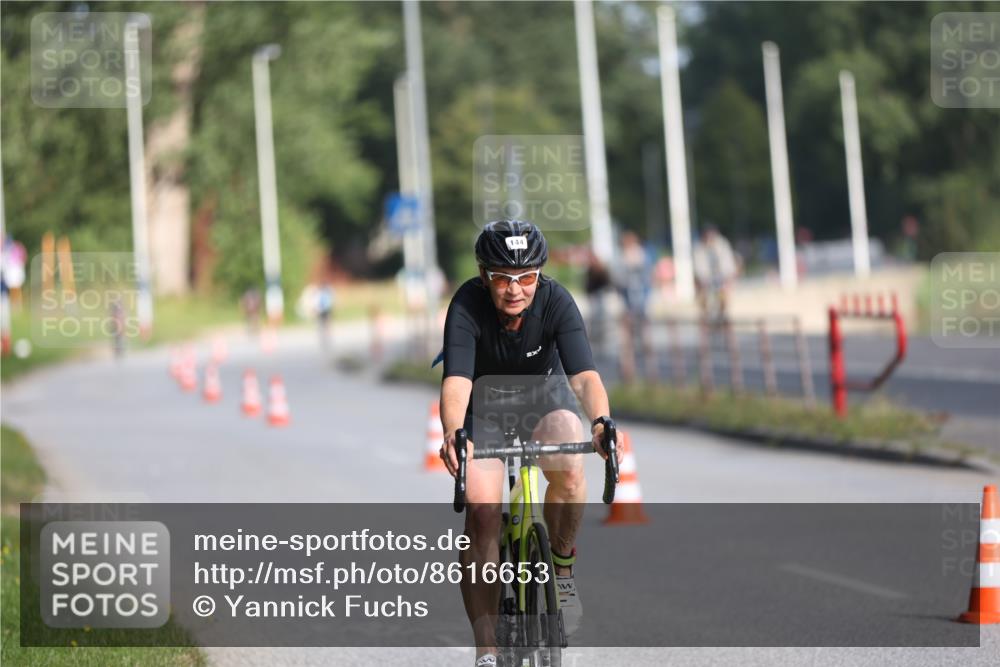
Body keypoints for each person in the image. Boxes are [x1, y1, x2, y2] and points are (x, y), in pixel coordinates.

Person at [439, 220, 619, 667]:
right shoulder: (466, 304)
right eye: (502, 277)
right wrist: (451, 431)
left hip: (544, 399)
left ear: (540, 274)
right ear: (484, 276)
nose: (515, 288)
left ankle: (561, 569)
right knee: (482, 513)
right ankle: (486, 650)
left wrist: (600, 421)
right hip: (485, 408)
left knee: (569, 460)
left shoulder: (557, 300)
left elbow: (584, 375)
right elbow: (457, 381)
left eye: (526, 277)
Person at [692, 224, 738, 321]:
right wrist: (703, 279)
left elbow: (727, 263)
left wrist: (726, 278)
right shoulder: (698, 247)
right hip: (705, 279)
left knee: (724, 295)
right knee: (703, 296)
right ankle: (705, 316)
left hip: (721, 277)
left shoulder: (722, 244)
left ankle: (723, 314)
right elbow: (698, 266)